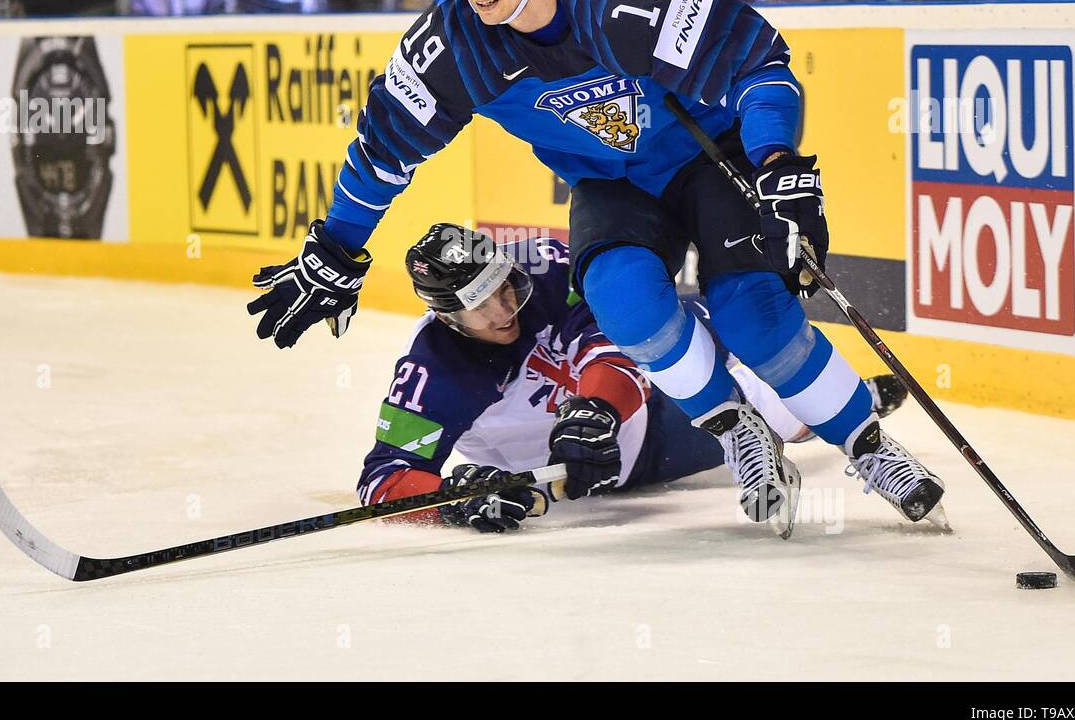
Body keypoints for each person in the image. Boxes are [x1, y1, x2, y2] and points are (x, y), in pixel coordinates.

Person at [246, 0, 946, 537]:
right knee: (623, 299)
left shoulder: (623, 1)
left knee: (754, 316)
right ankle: (738, 433)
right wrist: (336, 247)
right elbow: (384, 149)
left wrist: (778, 163)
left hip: (708, 159)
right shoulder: (451, 46)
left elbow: (759, 63)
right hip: (612, 186)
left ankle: (867, 442)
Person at [359, 224, 909, 534]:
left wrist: (595, 409)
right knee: (774, 415)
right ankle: (843, 407)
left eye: (507, 285)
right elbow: (383, 480)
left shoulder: (548, 272)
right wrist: (453, 499)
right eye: (483, 304)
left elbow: (614, 357)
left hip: (631, 407)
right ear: (447, 314)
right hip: (641, 450)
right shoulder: (432, 372)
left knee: (721, 326)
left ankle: (844, 403)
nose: (506, 308)